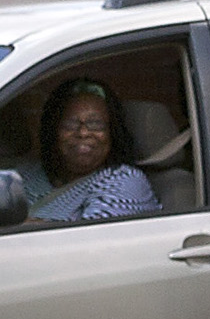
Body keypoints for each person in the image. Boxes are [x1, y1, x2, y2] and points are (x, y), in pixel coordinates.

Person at [31, 79, 159, 223]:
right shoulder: (34, 174)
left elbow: (92, 239)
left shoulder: (126, 181)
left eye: (95, 124)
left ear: (112, 131)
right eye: (70, 124)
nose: (83, 132)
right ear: (54, 130)